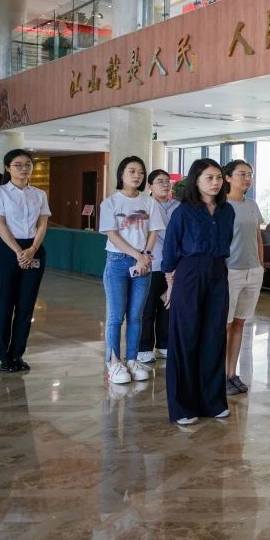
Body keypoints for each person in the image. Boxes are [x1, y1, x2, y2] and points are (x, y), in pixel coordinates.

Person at [162, 158, 234, 425]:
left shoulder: (227, 211)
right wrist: (170, 284)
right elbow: (170, 250)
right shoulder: (183, 211)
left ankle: (212, 402)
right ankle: (183, 407)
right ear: (197, 180)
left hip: (218, 272)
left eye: (219, 178)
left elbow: (227, 242)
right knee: (186, 337)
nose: (215, 183)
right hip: (189, 273)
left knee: (214, 335)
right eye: (209, 178)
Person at [99, 157, 166, 385]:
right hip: (118, 261)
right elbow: (112, 234)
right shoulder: (110, 203)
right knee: (116, 316)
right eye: (132, 171)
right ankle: (113, 363)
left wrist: (145, 255)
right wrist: (138, 256)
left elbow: (153, 231)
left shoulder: (149, 202)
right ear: (121, 174)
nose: (137, 176)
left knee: (136, 316)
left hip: (143, 263)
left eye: (140, 172)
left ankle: (132, 359)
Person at [0, 148, 50, 373]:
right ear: (8, 168)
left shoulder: (39, 194)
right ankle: (0, 356)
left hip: (34, 249)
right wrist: (18, 251)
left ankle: (17, 354)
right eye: (18, 165)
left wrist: (32, 249)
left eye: (28, 165)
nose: (24, 169)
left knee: (26, 306)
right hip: (6, 250)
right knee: (4, 304)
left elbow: (42, 224)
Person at [222, 159, 264, 396]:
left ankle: (232, 373)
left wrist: (260, 265)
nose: (247, 179)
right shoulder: (221, 206)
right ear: (228, 178)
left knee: (239, 323)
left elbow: (257, 236)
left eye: (250, 174)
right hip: (230, 272)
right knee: (225, 325)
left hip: (253, 271)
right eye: (242, 174)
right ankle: (219, 375)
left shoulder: (252, 205)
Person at [139, 169, 180, 364]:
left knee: (167, 306)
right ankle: (144, 347)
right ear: (150, 186)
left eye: (167, 181)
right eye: (160, 181)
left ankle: (164, 344)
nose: (165, 184)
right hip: (151, 264)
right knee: (147, 309)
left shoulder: (178, 206)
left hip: (172, 266)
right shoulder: (143, 205)